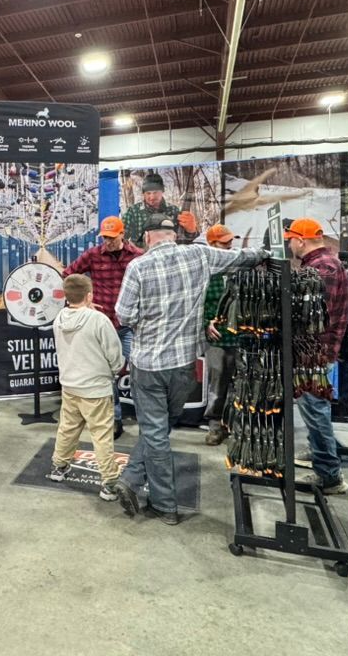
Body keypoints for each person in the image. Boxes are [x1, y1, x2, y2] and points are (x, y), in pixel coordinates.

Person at [114, 215, 267, 525]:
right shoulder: (198, 254)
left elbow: (124, 315)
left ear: (147, 237)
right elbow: (239, 258)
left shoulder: (138, 267)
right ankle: (129, 478)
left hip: (149, 365)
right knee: (160, 428)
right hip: (184, 366)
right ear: (173, 235)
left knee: (155, 433)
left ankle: (164, 505)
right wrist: (265, 253)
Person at [286, 218, 348, 495]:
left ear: (301, 239)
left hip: (315, 354)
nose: (289, 245)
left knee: (315, 410)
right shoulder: (323, 263)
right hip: (315, 351)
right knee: (315, 409)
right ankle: (320, 454)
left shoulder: (322, 268)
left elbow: (309, 315)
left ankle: (329, 475)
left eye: (291, 239)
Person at [63, 215, 143, 439]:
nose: (107, 241)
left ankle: (146, 418)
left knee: (138, 370)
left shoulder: (137, 257)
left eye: (111, 237)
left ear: (121, 234)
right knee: (107, 375)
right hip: (102, 324)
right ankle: (115, 419)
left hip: (129, 325)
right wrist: (84, 301)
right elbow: (69, 274)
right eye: (104, 237)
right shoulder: (93, 255)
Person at [49, 274, 124, 502]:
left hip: (70, 386)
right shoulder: (99, 320)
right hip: (96, 389)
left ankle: (59, 468)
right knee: (101, 435)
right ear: (89, 294)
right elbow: (115, 356)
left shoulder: (59, 318)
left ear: (66, 295)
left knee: (68, 428)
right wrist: (114, 371)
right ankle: (109, 482)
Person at [201, 224, 241, 446]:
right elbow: (195, 305)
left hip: (239, 336)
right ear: (211, 244)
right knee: (217, 384)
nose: (229, 245)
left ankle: (234, 425)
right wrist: (206, 323)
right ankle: (215, 427)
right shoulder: (204, 271)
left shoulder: (239, 267)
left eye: (229, 241)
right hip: (216, 338)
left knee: (239, 383)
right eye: (223, 242)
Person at [122, 172, 182, 249]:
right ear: (143, 194)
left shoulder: (174, 210)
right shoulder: (133, 211)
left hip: (168, 254)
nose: (152, 197)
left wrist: (191, 231)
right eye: (148, 193)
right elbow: (121, 237)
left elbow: (183, 239)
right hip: (142, 256)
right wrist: (135, 251)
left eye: (155, 193)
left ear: (162, 191)